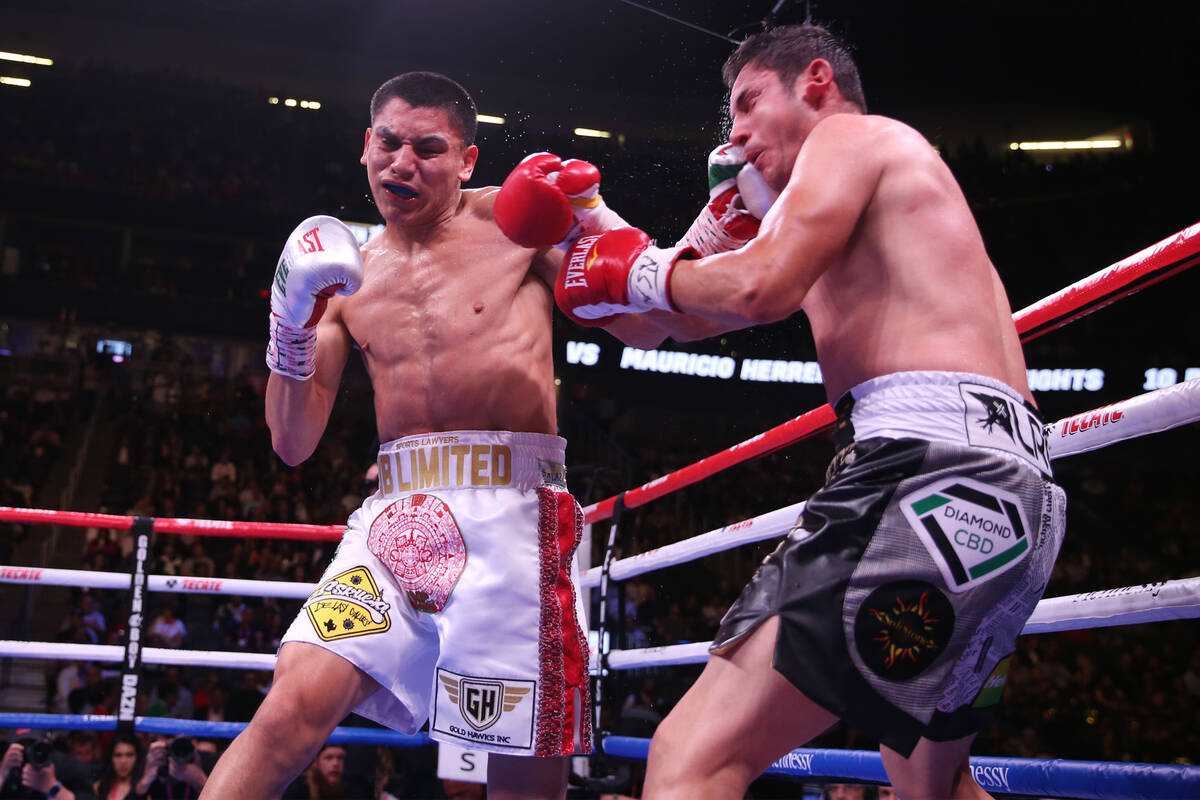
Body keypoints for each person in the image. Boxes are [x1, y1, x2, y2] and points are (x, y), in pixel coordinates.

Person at [551, 23, 1067, 800]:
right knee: (934, 786)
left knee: (690, 760)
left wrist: (643, 269)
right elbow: (667, 317)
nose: (737, 133)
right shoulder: (820, 206)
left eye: (749, 103)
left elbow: (757, 288)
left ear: (816, 82)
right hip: (1016, 500)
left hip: (921, 473)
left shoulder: (849, 140)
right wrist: (580, 241)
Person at [200, 70, 672, 800]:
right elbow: (292, 442)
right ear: (365, 147)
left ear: (467, 160)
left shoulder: (516, 226)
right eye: (388, 142)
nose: (403, 162)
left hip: (513, 516)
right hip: (396, 518)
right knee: (290, 707)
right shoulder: (343, 271)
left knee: (516, 774)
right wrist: (287, 330)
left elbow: (648, 326)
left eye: (428, 147)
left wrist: (595, 219)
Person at [92, 735, 141, 800]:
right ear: (111, 758)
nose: (123, 761)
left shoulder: (143, 787)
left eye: (129, 755)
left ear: (137, 757)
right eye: (118, 755)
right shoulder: (99, 787)